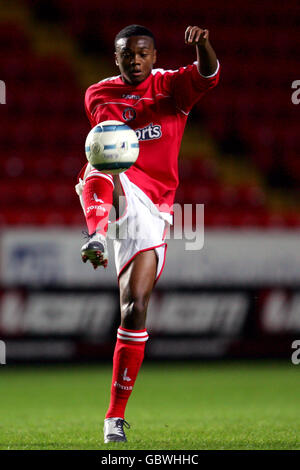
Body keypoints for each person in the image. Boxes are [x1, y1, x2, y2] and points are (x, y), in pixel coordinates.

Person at [76, 24, 220, 443]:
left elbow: (208, 75)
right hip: (121, 192)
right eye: (127, 54)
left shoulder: (172, 87)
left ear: (154, 56)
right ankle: (96, 235)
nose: (135, 61)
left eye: (142, 54)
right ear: (115, 57)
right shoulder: (97, 95)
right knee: (102, 151)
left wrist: (204, 47)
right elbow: (103, 148)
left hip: (155, 207)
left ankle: (113, 417)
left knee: (134, 307)